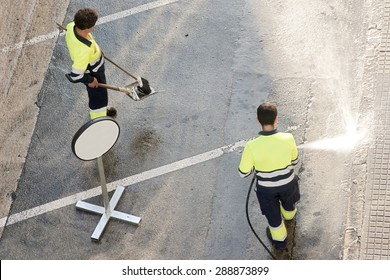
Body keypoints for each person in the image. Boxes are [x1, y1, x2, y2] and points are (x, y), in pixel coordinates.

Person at [238, 102, 300, 250]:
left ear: (258, 120)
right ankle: (290, 216)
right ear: (276, 119)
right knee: (289, 203)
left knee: (273, 217)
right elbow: (295, 160)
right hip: (288, 184)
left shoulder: (251, 146)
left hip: (267, 190)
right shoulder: (288, 138)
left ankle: (280, 241)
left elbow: (243, 172)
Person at [65, 7, 119, 119]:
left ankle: (101, 110)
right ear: (88, 28)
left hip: (92, 64)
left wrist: (97, 50)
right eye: (93, 25)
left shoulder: (71, 26)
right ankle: (98, 118)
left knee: (100, 95)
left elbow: (88, 41)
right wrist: (89, 80)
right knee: (99, 99)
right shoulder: (83, 51)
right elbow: (75, 75)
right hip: (94, 73)